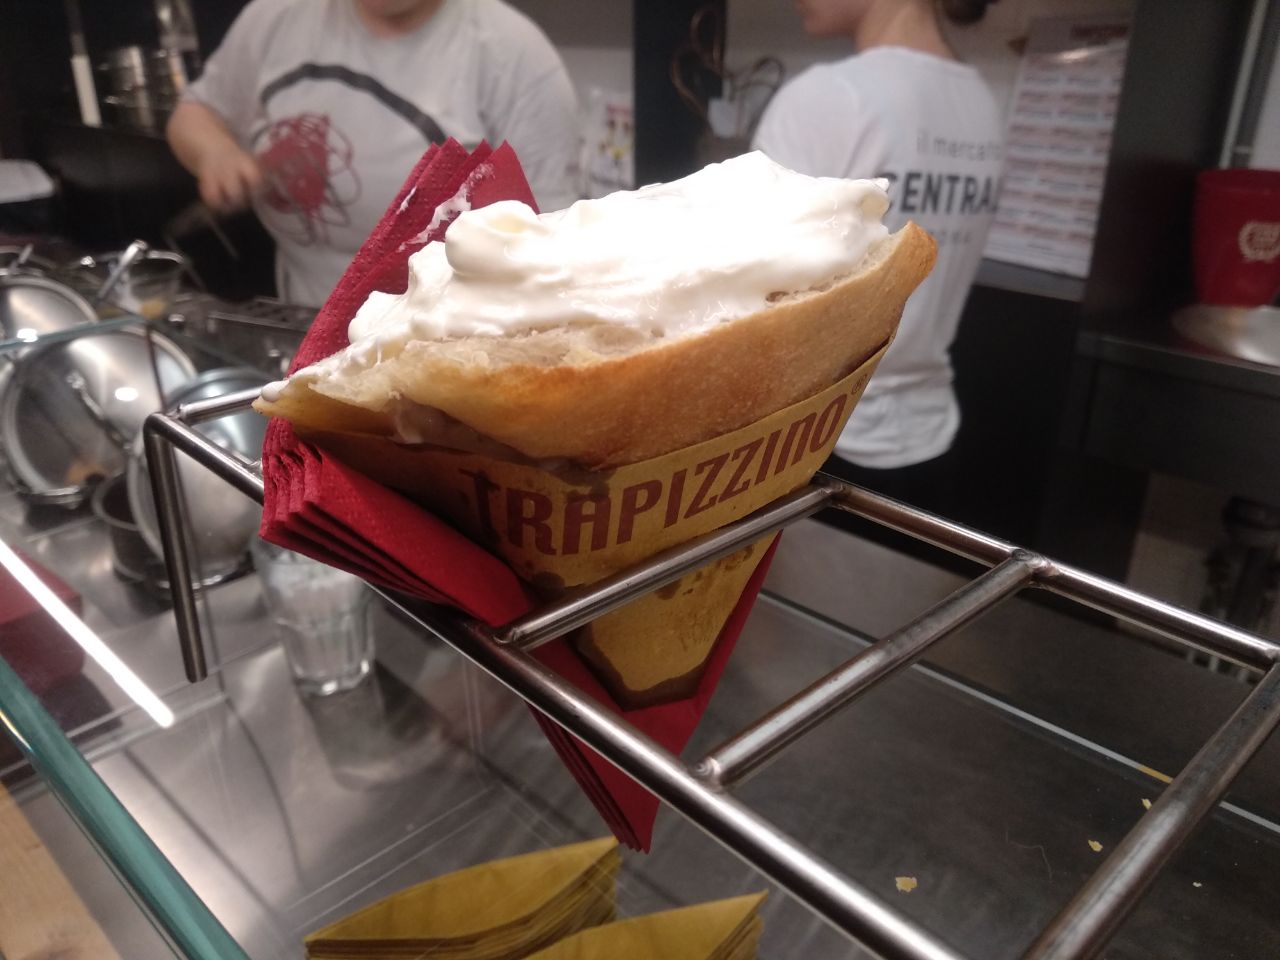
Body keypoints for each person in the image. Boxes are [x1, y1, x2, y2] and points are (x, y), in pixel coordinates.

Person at [752, 0, 1004, 514]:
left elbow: (756, 303)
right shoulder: (981, 100)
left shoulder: (828, 97)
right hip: (934, 436)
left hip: (819, 447)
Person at [167, 0, 579, 308]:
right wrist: (216, 152)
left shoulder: (514, 55)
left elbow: (548, 252)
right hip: (296, 323)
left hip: (441, 346)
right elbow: (195, 112)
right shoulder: (277, 17)